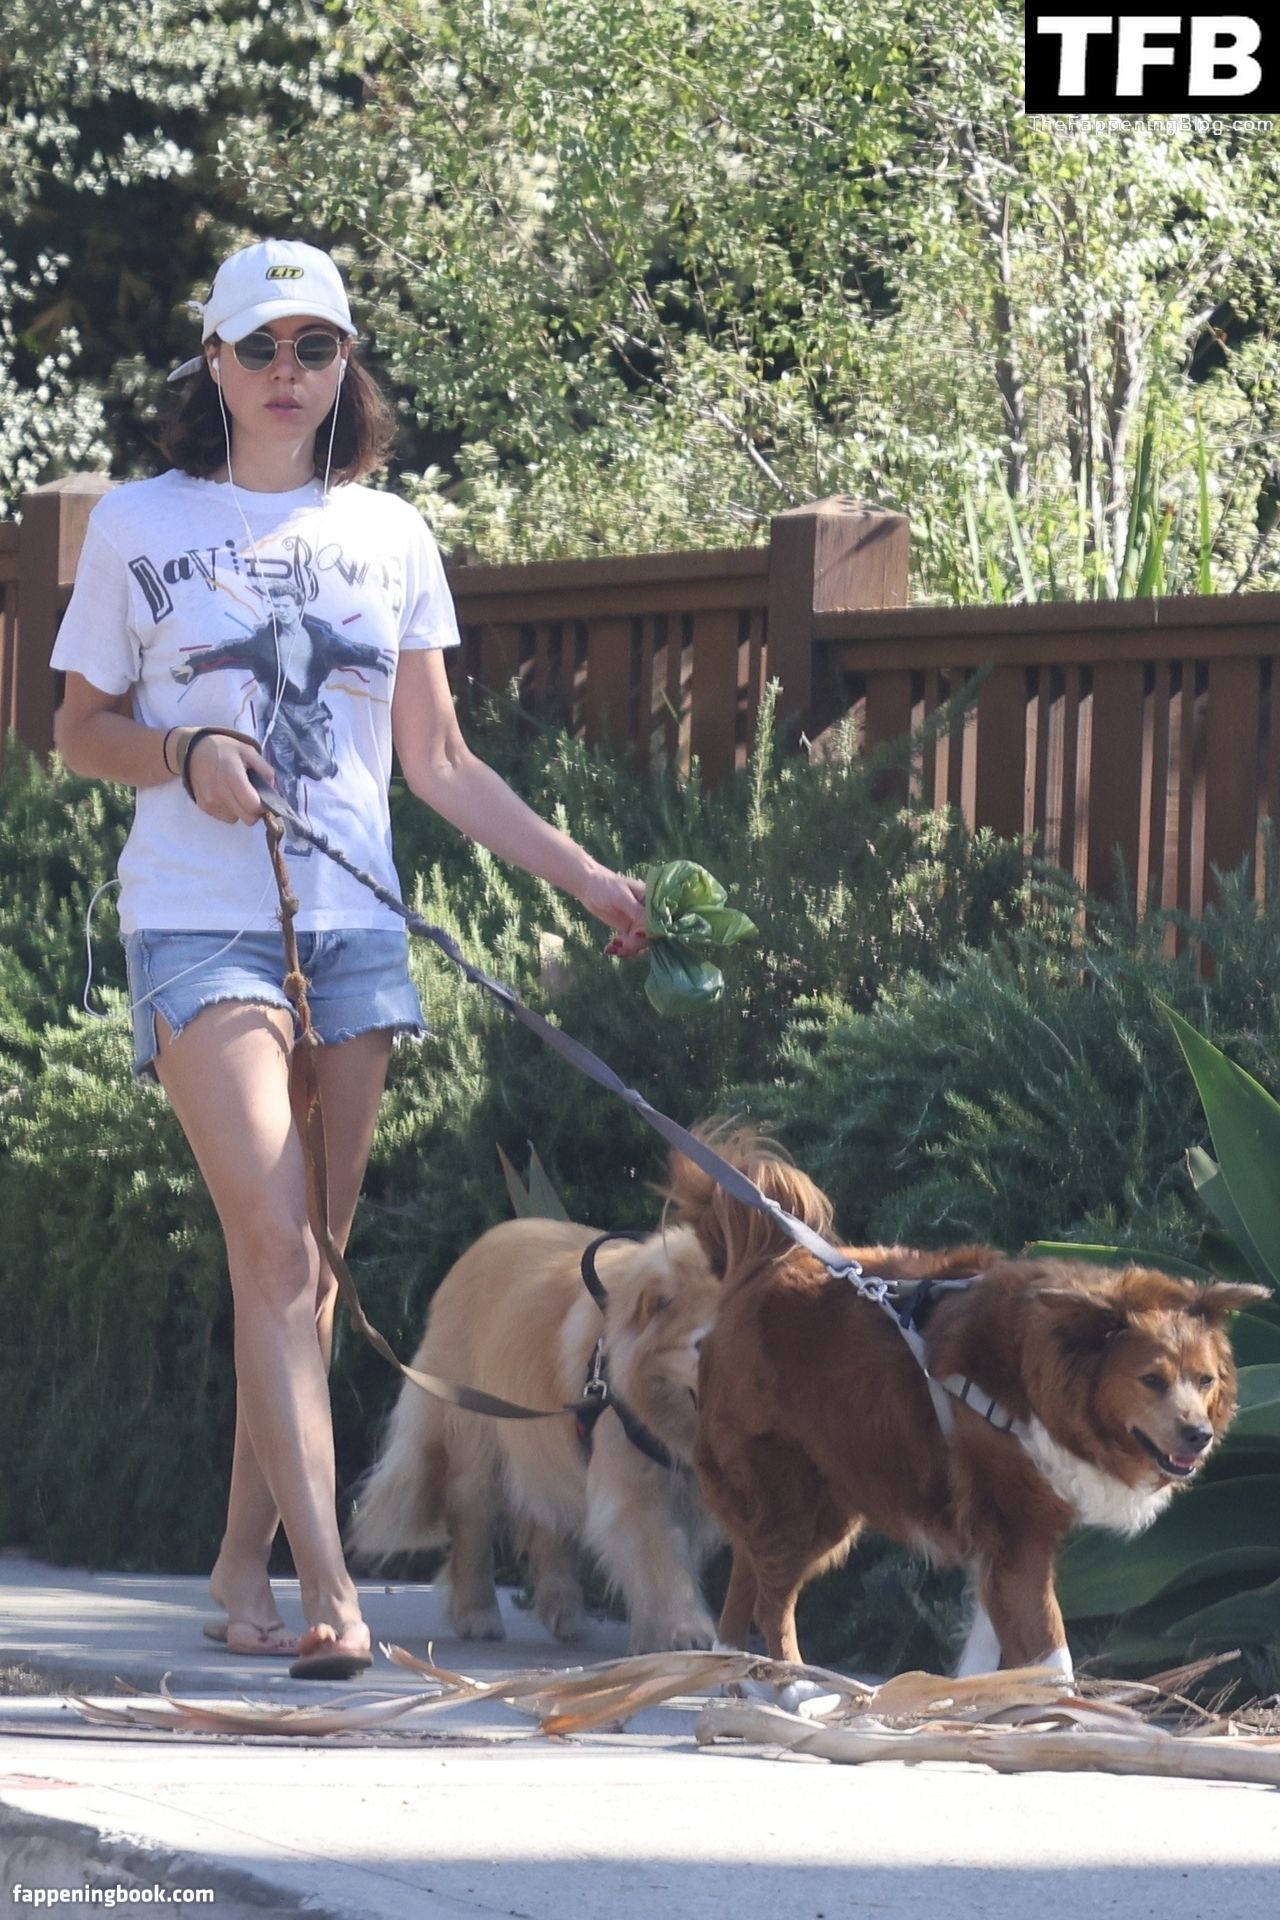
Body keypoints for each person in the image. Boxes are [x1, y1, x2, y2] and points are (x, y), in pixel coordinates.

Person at [51, 237, 649, 1681]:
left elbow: (438, 759)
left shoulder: (391, 535)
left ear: (344, 367)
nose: (286, 372)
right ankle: (333, 1592)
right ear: (212, 361)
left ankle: (239, 1561)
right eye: (258, 346)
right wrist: (184, 752)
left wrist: (581, 876)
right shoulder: (139, 521)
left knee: (310, 1272)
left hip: (356, 928)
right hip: (199, 923)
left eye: (313, 347)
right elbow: (77, 731)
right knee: (271, 1247)